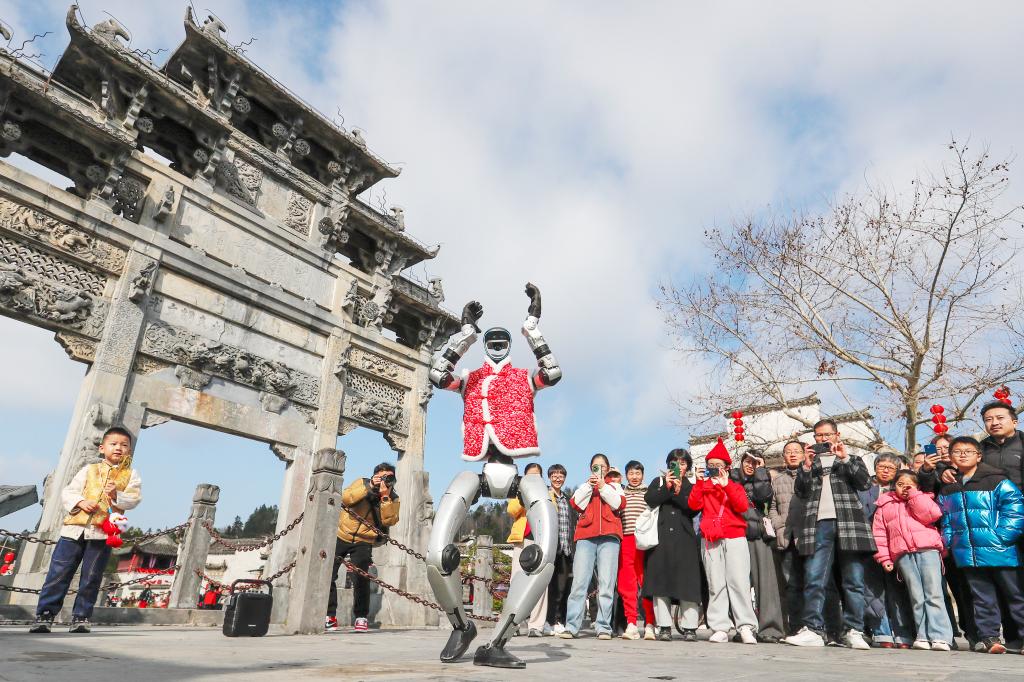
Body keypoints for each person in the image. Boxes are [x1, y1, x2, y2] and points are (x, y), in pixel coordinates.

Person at [30, 426, 142, 634]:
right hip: (73, 530)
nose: (118, 448)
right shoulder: (89, 470)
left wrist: (116, 494)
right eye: (113, 444)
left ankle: (81, 616)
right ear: (102, 448)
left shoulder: (131, 475)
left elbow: (134, 499)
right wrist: (81, 502)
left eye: (124, 445)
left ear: (129, 450)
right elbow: (69, 492)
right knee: (59, 573)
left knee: (91, 577)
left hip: (102, 533)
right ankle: (45, 614)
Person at [784, 419, 874, 650]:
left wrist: (844, 458)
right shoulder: (810, 463)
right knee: (814, 578)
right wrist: (806, 466)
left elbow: (864, 483)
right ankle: (813, 629)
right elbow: (800, 491)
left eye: (827, 435)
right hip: (818, 525)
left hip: (850, 523)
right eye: (818, 435)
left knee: (853, 580)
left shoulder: (852, 458)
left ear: (836, 435)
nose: (823, 439)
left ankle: (854, 630)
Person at [937, 435, 1024, 654]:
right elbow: (946, 517)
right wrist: (950, 541)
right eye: (957, 452)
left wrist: (1002, 537)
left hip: (1000, 550)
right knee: (982, 598)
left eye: (968, 451)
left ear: (978, 456)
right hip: (968, 552)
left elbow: (1015, 508)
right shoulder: (949, 487)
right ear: (951, 457)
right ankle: (989, 638)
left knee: (1015, 595)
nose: (962, 455)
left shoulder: (996, 480)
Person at [872, 471, 953, 651]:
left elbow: (932, 515)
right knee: (916, 596)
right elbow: (879, 534)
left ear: (917, 486)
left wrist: (914, 495)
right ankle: (922, 635)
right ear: (894, 485)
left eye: (909, 484)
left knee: (934, 593)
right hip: (903, 555)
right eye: (900, 484)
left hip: (928, 549)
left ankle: (940, 636)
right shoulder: (885, 504)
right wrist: (884, 558)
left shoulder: (923, 498)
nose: (905, 487)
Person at [689, 439, 757, 644]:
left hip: (734, 536)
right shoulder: (704, 486)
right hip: (711, 538)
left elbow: (742, 506)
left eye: (718, 465)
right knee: (715, 583)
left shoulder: (734, 485)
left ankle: (746, 626)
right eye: (710, 465)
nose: (714, 469)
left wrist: (726, 486)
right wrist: (699, 483)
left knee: (739, 582)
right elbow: (693, 505)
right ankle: (719, 626)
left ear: (727, 467)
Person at [326, 462, 400, 633]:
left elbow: (390, 520)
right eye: (381, 476)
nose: (384, 480)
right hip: (342, 534)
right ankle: (329, 615)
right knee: (328, 573)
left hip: (364, 539)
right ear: (374, 475)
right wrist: (370, 487)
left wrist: (385, 497)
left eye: (388, 477)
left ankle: (361, 616)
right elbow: (345, 498)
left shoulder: (393, 497)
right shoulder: (362, 482)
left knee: (361, 578)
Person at [560, 453, 625, 640]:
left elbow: (619, 504)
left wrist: (603, 486)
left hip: (610, 537)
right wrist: (590, 486)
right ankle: (572, 626)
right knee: (579, 583)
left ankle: (603, 627)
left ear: (608, 468)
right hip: (586, 537)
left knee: (606, 584)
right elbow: (575, 504)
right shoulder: (585, 486)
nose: (599, 469)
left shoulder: (615, 486)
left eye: (603, 466)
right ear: (591, 469)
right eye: (596, 466)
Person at [641, 449, 702, 642]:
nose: (679, 467)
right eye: (675, 463)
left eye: (683, 463)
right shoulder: (658, 482)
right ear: (668, 465)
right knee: (660, 583)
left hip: (685, 540)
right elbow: (650, 500)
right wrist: (667, 487)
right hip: (661, 540)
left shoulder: (691, 486)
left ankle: (690, 627)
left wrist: (678, 491)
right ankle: (664, 627)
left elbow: (693, 508)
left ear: (688, 466)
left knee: (688, 583)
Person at [858, 454, 913, 648]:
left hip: (897, 547)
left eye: (891, 467)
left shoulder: (902, 489)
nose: (886, 470)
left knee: (898, 590)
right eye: (882, 466)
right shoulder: (864, 488)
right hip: (869, 545)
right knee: (872, 590)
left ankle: (903, 633)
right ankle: (882, 632)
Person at [730, 451, 785, 642]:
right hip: (736, 534)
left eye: (755, 462)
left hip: (758, 534)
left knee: (766, 582)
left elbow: (764, 497)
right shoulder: (732, 479)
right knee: (739, 585)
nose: (750, 465)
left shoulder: (764, 478)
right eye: (747, 461)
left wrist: (761, 472)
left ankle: (770, 629)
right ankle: (744, 628)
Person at [507, 462, 552, 637]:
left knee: (540, 583)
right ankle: (513, 623)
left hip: (541, 541)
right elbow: (512, 510)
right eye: (530, 475)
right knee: (516, 581)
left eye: (537, 475)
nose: (533, 478)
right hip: (522, 540)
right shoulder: (517, 492)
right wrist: (524, 495)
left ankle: (536, 625)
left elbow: (553, 511)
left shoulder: (547, 492)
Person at [614, 460, 655, 640]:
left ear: (643, 475)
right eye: (631, 473)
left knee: (646, 581)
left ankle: (650, 623)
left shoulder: (649, 493)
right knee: (627, 582)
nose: (634, 477)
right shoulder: (621, 493)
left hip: (645, 540)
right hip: (627, 539)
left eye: (638, 473)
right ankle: (631, 622)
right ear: (626, 476)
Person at [545, 463, 576, 635]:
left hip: (566, 549)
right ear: (549, 477)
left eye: (561, 475)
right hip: (551, 547)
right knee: (551, 587)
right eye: (554, 475)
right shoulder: (546, 496)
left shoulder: (567, 499)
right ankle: (549, 620)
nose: (558, 478)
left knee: (563, 587)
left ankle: (558, 619)